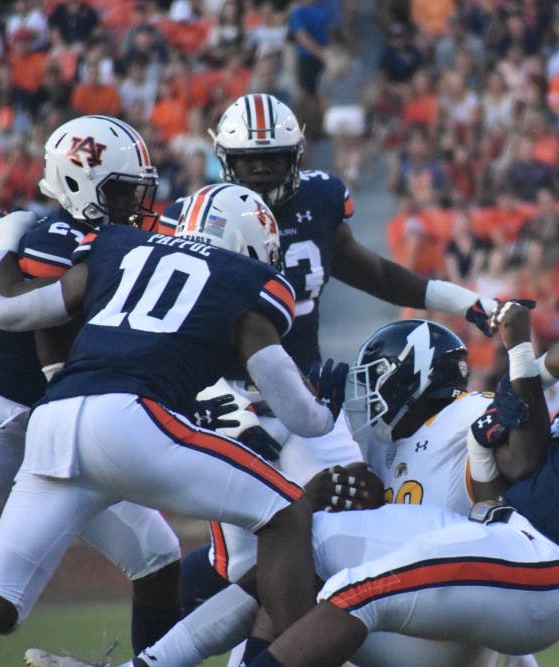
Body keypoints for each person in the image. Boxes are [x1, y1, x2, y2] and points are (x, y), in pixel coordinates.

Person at [0, 183, 341, 667]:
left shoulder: (117, 245)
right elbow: (299, 416)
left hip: (53, 422)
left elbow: (11, 311)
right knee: (286, 510)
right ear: (252, 246)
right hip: (130, 419)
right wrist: (326, 404)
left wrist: (8, 241)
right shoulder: (245, 280)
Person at [155, 93, 523, 619]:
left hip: (307, 398)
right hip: (226, 400)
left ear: (298, 156)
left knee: (363, 507)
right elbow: (175, 329)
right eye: (249, 162)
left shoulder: (320, 201)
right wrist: (209, 402)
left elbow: (373, 272)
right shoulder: (194, 220)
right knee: (240, 565)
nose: (260, 174)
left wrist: (469, 304)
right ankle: (178, 651)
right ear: (225, 160)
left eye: (273, 160)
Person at [243, 297, 559, 666]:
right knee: (300, 529)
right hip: (510, 542)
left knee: (360, 590)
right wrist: (482, 449)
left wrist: (527, 364)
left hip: (549, 562)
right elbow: (513, 483)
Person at [32, 319, 538, 667]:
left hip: (441, 629)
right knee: (292, 561)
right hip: (422, 617)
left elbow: (517, 456)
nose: (365, 396)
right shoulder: (391, 448)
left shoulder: (465, 415)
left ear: (413, 377)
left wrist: (523, 369)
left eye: (374, 381)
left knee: (298, 554)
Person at [0, 116, 184, 654]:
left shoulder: (113, 240)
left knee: (157, 556)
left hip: (66, 428)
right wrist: (7, 245)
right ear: (78, 185)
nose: (135, 202)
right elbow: (16, 312)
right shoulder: (57, 236)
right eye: (121, 191)